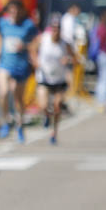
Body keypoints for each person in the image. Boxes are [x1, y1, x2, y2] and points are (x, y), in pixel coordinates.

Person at [0, 0, 39, 143]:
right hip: (5, 63)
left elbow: (36, 41)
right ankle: (5, 122)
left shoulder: (28, 25)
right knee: (4, 92)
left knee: (19, 99)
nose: (14, 13)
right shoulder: (3, 23)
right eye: (12, 10)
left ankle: (19, 125)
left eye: (17, 10)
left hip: (21, 65)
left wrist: (25, 46)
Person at [33, 13, 75, 145]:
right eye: (54, 28)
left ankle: (54, 133)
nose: (56, 31)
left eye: (58, 28)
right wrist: (36, 62)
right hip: (44, 77)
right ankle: (46, 115)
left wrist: (68, 59)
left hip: (59, 79)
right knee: (43, 105)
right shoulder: (43, 39)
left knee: (57, 106)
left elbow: (74, 58)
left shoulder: (65, 43)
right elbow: (32, 49)